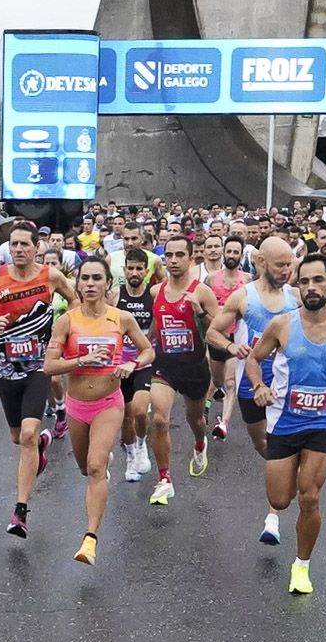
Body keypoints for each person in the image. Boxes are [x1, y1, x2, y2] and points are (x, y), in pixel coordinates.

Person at [243, 253, 326, 595]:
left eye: (318, 280)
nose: (311, 287)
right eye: (304, 282)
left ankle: (301, 566)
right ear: (297, 286)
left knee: (310, 497)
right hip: (285, 421)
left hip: (324, 422)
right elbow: (254, 360)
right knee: (281, 497)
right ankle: (279, 513)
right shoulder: (282, 325)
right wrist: (259, 386)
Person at [43, 258, 152, 566]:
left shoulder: (122, 319)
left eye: (96, 279)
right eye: (85, 279)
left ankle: (90, 539)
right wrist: (81, 360)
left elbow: (148, 350)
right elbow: (49, 366)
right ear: (77, 284)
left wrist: (132, 364)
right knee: (85, 467)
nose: (90, 284)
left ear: (107, 285)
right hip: (78, 405)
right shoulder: (67, 321)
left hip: (109, 403)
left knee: (94, 467)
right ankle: (100, 462)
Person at [0, 223, 73, 537]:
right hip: (5, 365)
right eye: (14, 245)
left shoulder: (51, 277)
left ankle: (20, 512)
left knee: (28, 434)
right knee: (18, 437)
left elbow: (77, 303)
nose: (18, 250)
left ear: (36, 247)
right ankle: (40, 445)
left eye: (24, 245)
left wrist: (61, 336)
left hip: (38, 365)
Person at [208, 236, 298, 545]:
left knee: (279, 446)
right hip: (250, 383)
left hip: (287, 386)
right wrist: (232, 345)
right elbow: (212, 332)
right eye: (280, 264)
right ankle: (284, 472)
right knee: (262, 442)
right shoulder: (242, 298)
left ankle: (272, 517)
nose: (287, 270)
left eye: (290, 264)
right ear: (260, 262)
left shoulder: (295, 298)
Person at [140, 235, 218, 504]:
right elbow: (156, 324)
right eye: (169, 256)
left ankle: (200, 443)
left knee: (195, 421)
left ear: (191, 258)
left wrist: (200, 313)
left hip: (195, 367)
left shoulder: (202, 292)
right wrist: (142, 344)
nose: (173, 261)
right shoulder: (156, 291)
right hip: (164, 365)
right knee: (159, 419)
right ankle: (164, 479)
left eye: (179, 255)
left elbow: (219, 330)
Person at [113, 247, 159, 483]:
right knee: (125, 416)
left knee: (140, 411)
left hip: (143, 361)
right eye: (130, 268)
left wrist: (148, 341)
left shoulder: (153, 295)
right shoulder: (115, 295)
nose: (134, 272)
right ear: (124, 269)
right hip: (119, 365)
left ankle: (141, 445)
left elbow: (158, 323)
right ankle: (131, 457)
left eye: (139, 268)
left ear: (146, 271)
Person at [202, 233, 251, 439]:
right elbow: (203, 306)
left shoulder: (248, 280)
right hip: (215, 336)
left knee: (231, 382)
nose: (231, 255)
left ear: (241, 255)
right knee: (216, 379)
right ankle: (206, 404)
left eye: (235, 252)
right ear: (223, 253)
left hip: (236, 335)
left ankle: (223, 424)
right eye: (228, 251)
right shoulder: (211, 279)